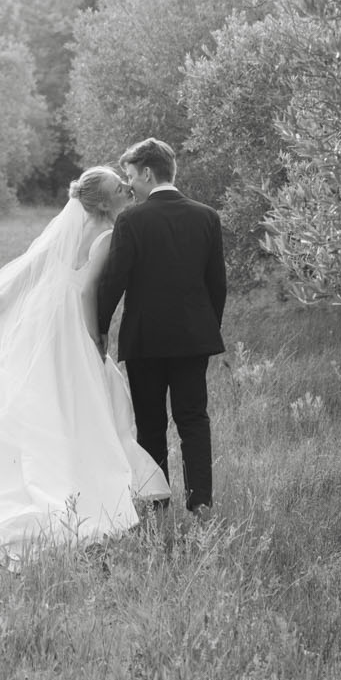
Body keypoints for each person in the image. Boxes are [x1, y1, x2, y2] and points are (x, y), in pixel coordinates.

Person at [0, 167, 169, 560]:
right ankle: (83, 485)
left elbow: (35, 268)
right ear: (103, 202)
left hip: (46, 320)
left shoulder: (72, 231)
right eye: (119, 187)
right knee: (84, 398)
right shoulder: (106, 233)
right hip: (71, 324)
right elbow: (86, 290)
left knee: (46, 399)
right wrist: (95, 337)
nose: (126, 189)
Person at [94, 137, 227, 519]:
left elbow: (113, 283)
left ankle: (157, 506)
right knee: (193, 419)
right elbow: (216, 285)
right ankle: (200, 502)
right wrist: (205, 331)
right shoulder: (206, 217)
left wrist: (100, 330)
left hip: (145, 341)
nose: (129, 185)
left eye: (132, 176)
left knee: (150, 424)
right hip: (192, 340)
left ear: (148, 173)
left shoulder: (132, 221)